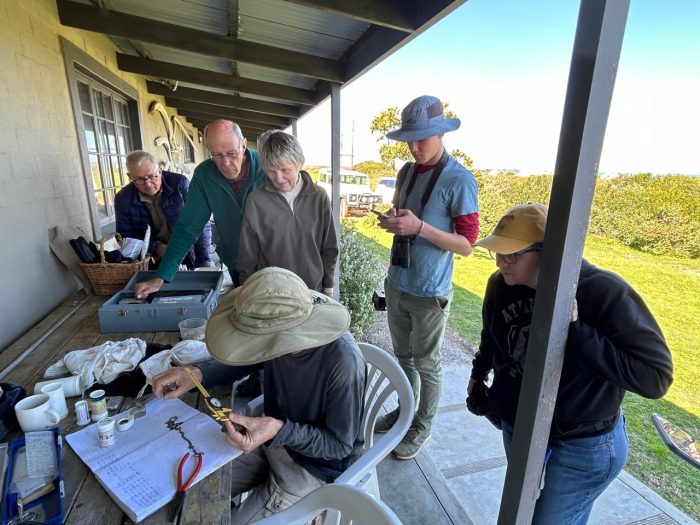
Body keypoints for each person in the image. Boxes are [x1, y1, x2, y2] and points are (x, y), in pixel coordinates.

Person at [468, 203, 674, 524]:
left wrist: (576, 331)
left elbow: (654, 377)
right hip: (522, 427)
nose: (500, 262)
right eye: (497, 252)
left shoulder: (602, 291)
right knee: (520, 511)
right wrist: (479, 377)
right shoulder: (501, 284)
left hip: (583, 444)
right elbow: (492, 338)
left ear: (549, 252)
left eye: (512, 255)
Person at [151, 267, 366, 523]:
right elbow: (245, 359)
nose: (256, 348)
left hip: (314, 469)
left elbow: (338, 446)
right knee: (185, 490)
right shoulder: (280, 334)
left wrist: (277, 429)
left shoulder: (343, 363)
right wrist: (197, 374)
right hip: (271, 443)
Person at [375, 95, 479, 460]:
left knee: (427, 364)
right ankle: (406, 411)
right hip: (398, 282)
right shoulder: (405, 172)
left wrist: (418, 227)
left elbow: (467, 245)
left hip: (430, 291)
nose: (415, 147)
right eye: (410, 140)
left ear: (441, 134)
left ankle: (422, 427)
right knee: (403, 358)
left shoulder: (460, 180)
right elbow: (409, 215)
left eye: (423, 139)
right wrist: (395, 220)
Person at [134, 120, 266, 298]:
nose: (225, 162)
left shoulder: (267, 166)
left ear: (243, 145)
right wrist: (162, 276)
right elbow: (188, 227)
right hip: (237, 263)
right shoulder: (204, 175)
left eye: (231, 153)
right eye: (216, 155)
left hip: (274, 261)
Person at [238, 130, 337, 294]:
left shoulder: (319, 196)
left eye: (285, 170)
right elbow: (247, 254)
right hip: (271, 292)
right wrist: (248, 291)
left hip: (312, 289)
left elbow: (329, 247)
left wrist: (328, 286)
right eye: (271, 171)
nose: (278, 178)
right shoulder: (256, 200)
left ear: (299, 163)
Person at [114, 150, 212, 269]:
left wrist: (203, 262)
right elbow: (124, 239)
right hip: (149, 260)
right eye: (140, 179)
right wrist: (156, 247)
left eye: (152, 176)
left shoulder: (180, 184)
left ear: (160, 171)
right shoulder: (123, 199)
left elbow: (201, 223)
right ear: (130, 177)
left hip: (186, 251)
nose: (148, 184)